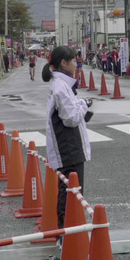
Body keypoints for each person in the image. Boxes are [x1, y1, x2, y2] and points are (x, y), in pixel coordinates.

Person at [42, 46, 93, 231]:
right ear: (63, 63)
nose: (76, 63)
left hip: (68, 146)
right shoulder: (61, 87)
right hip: (68, 147)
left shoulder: (62, 84)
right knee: (71, 192)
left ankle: (68, 233)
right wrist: (84, 105)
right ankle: (67, 234)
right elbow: (71, 118)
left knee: (70, 191)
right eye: (73, 60)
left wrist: (80, 104)